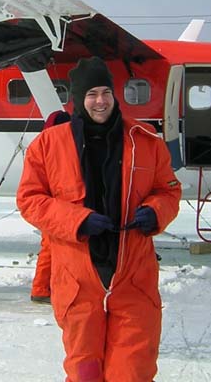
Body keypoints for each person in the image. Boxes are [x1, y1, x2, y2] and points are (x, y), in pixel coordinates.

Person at [17, 57, 182, 382]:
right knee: (85, 371)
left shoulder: (146, 140)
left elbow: (169, 190)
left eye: (106, 92)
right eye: (92, 94)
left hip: (133, 276)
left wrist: (155, 211)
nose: (100, 101)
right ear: (79, 99)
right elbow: (29, 200)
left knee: (133, 370)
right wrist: (76, 220)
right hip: (78, 279)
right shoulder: (48, 145)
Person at [30, 110, 71, 304]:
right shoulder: (59, 146)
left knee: (50, 247)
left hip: (47, 205)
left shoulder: (42, 144)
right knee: (50, 247)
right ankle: (41, 288)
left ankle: (45, 286)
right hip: (55, 205)